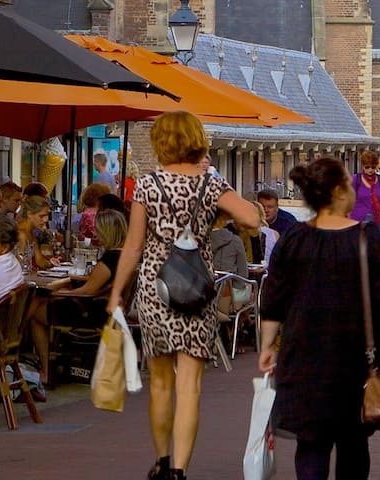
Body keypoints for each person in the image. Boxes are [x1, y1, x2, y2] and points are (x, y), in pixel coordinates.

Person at [105, 111, 263, 480]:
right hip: (196, 288)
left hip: (155, 288)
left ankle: (161, 460)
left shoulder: (147, 184)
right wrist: (219, 189)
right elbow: (252, 219)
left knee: (160, 381)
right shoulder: (210, 183)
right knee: (189, 386)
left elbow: (132, 245)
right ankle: (179, 471)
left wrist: (116, 294)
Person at [258, 157, 380, 480]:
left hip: (303, 359)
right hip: (356, 363)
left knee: (311, 444)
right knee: (353, 444)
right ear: (339, 193)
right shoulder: (366, 239)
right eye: (348, 186)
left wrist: (268, 344)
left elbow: (274, 299)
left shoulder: (293, 240)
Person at [47, 209, 126, 296]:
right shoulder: (124, 255)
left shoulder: (110, 259)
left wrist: (57, 293)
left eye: (97, 230)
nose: (95, 234)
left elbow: (87, 291)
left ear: (105, 232)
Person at [347, 151, 380, 225]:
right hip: (358, 221)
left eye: (373, 167)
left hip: (376, 220)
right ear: (363, 166)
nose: (370, 170)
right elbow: (349, 201)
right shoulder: (356, 179)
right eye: (367, 167)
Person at [17, 195, 57, 270]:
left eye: (47, 215)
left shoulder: (31, 234)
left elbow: (39, 261)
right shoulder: (21, 235)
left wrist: (50, 262)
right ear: (29, 214)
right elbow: (21, 265)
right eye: (41, 216)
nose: (46, 220)